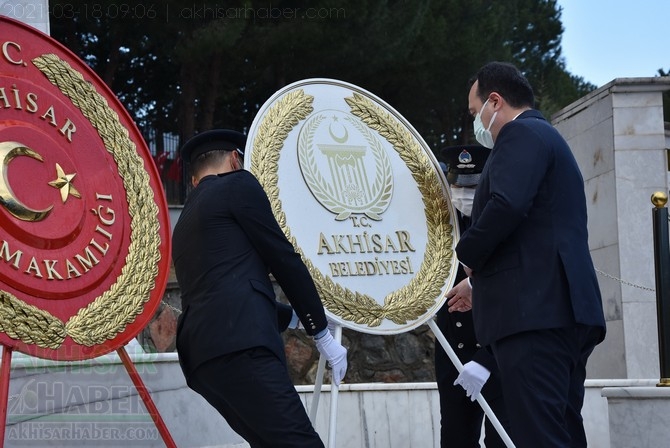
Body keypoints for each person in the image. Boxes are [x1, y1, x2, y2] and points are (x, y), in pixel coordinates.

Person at [455, 61, 606, 448]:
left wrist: (466, 257)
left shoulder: (520, 135)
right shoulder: (546, 138)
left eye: (475, 113)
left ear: (495, 101)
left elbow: (506, 206)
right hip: (559, 310)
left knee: (538, 435)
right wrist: (478, 284)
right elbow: (535, 235)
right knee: (561, 430)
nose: (476, 123)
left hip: (533, 315)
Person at [171, 129, 348, 448]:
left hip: (201, 360)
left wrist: (294, 319)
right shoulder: (238, 183)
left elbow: (225, 286)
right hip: (242, 346)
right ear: (235, 160)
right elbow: (281, 256)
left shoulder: (184, 221)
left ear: (195, 179)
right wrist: (319, 331)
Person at [435, 145, 509, 448]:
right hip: (454, 350)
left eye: (473, 187)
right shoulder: (441, 232)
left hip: (498, 352)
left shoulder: (503, 229)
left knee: (502, 438)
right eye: (457, 186)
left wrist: (487, 358)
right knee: (455, 437)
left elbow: (513, 297)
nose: (463, 194)